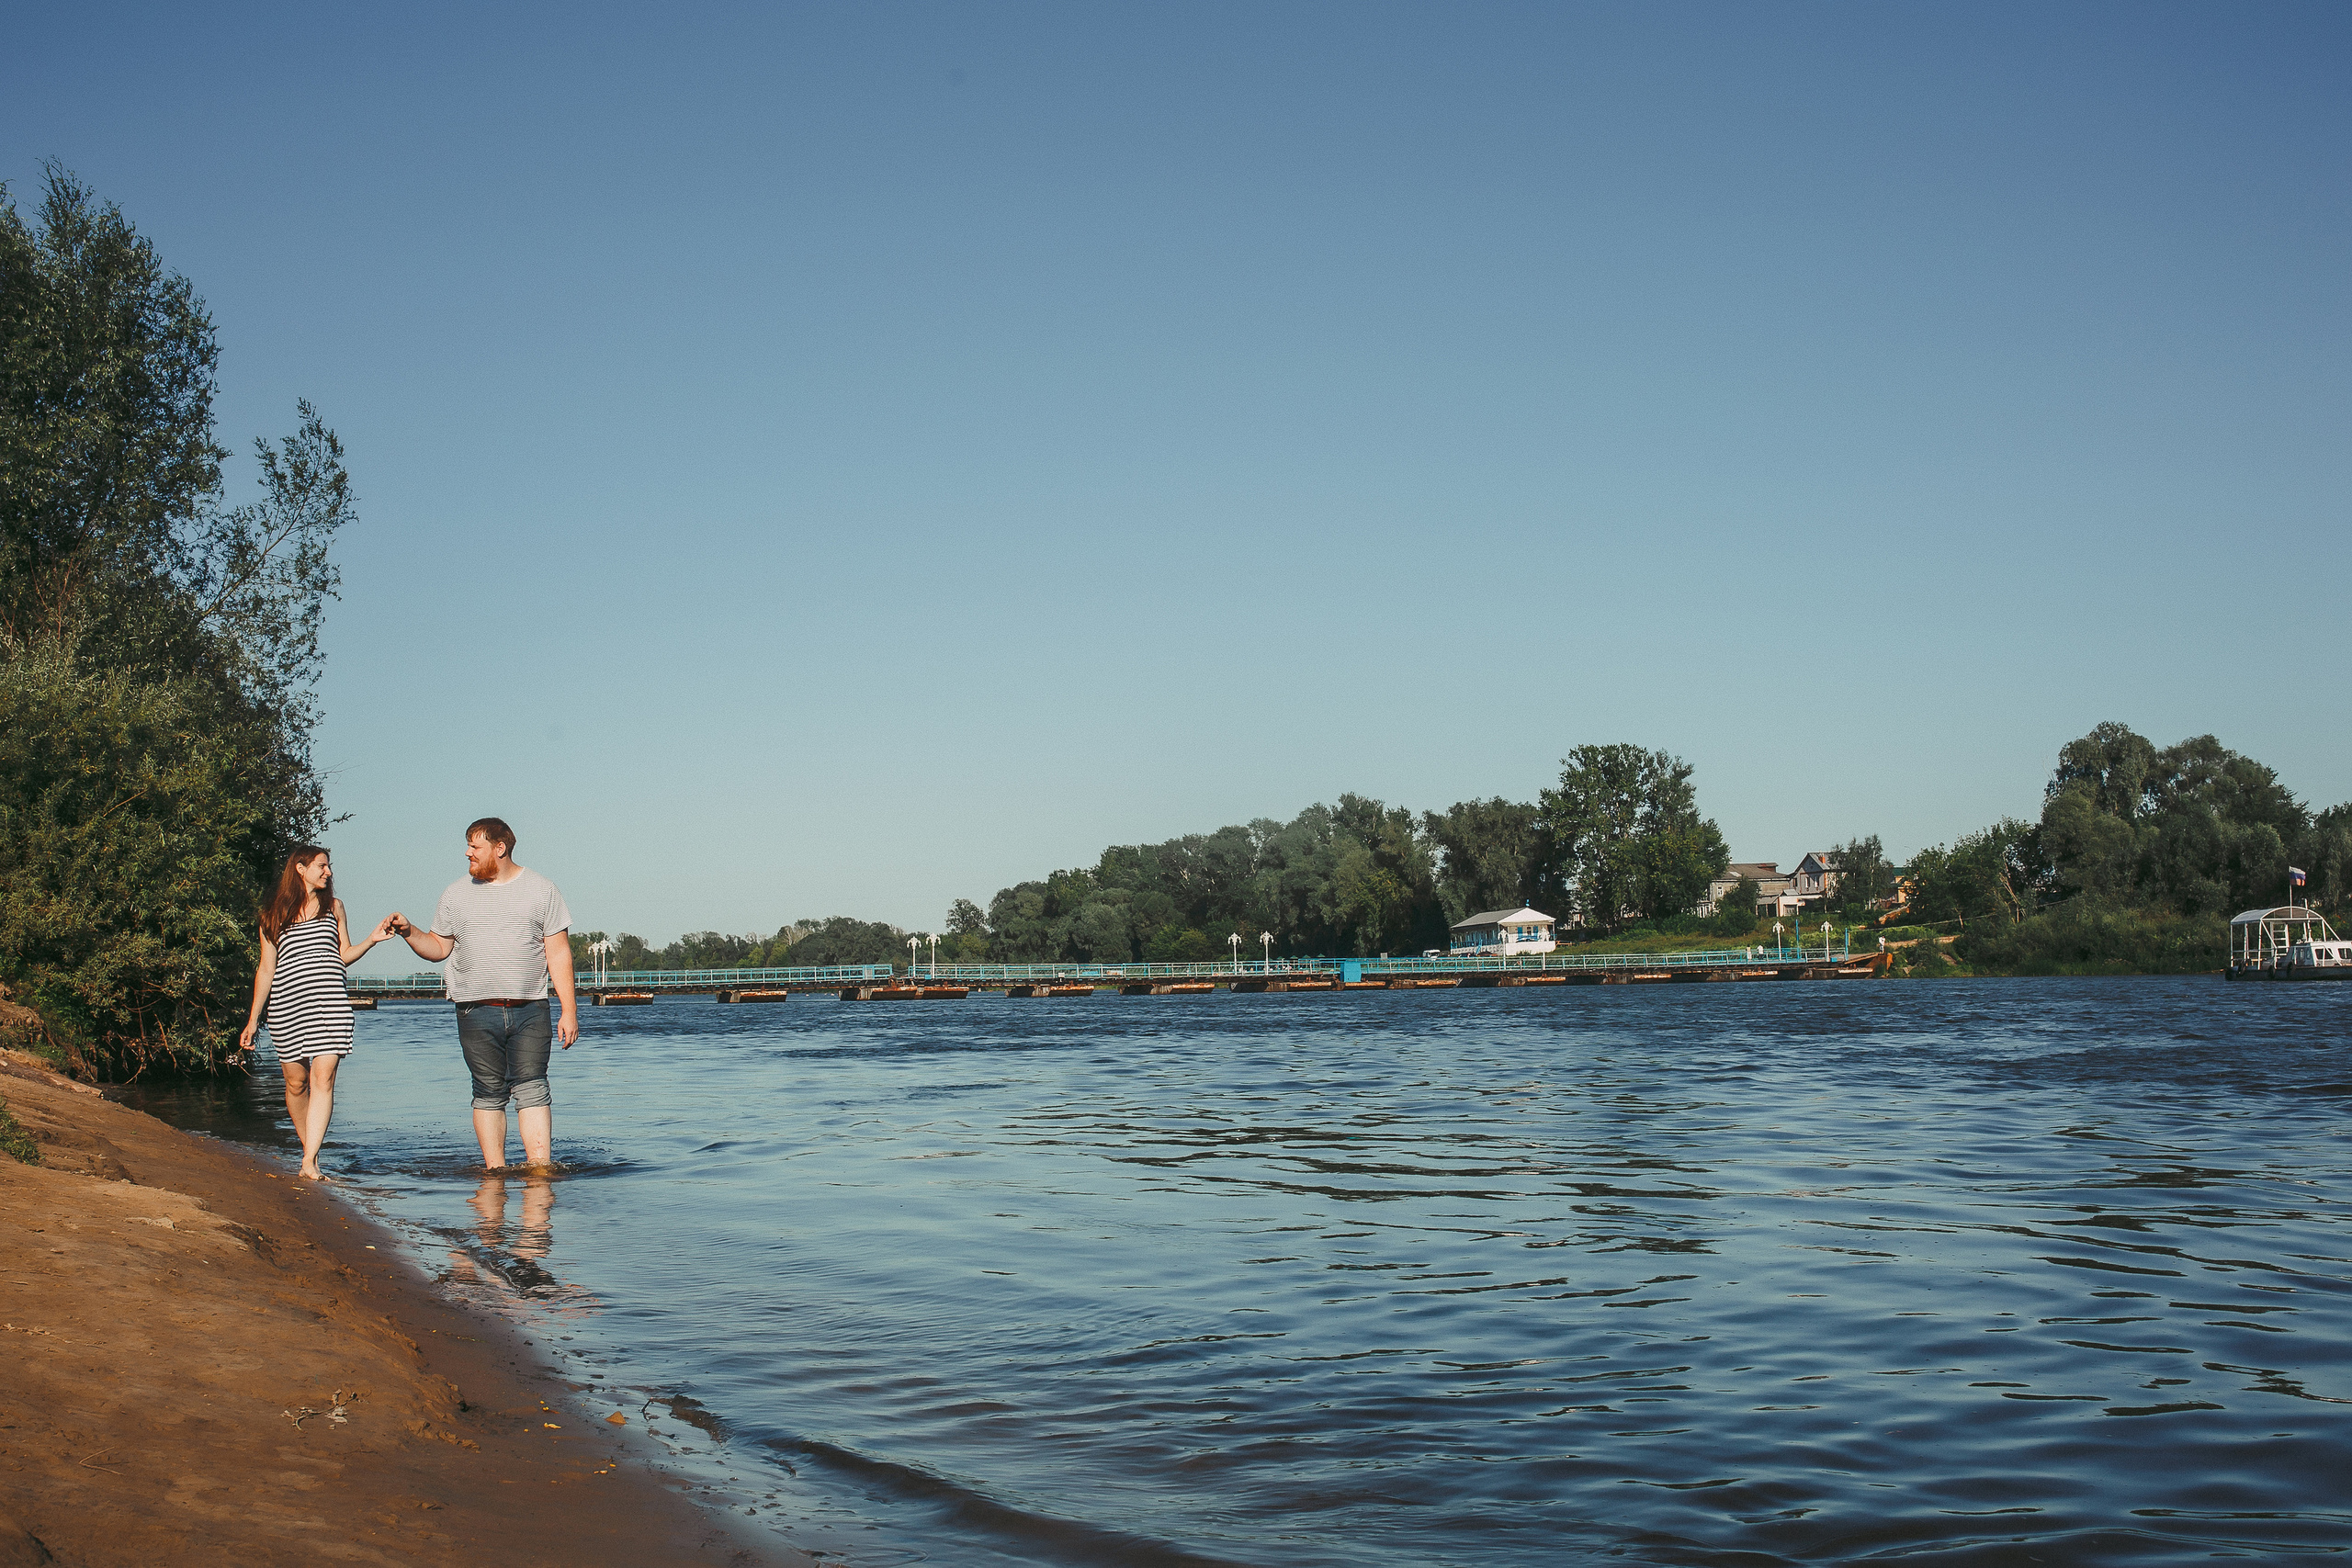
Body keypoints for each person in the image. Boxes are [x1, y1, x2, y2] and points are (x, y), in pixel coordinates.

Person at [388, 818, 579, 1169]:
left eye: (475, 846)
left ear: (500, 848)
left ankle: (539, 1173)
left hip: (531, 1009)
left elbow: (559, 952)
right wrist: (408, 931)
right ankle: (495, 1174)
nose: (467, 852)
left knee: (534, 1089)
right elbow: (438, 947)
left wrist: (570, 1010)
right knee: (488, 1093)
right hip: (474, 1011)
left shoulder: (542, 889)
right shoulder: (455, 893)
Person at [237, 846, 397, 1180]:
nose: (329, 872)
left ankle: (309, 1161)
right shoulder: (272, 913)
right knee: (296, 1083)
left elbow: (343, 955)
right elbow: (266, 969)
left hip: (330, 1005)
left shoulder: (334, 907)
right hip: (287, 1007)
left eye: (329, 866)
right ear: (300, 868)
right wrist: (253, 1019)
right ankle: (310, 1148)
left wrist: (371, 940)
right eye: (322, 866)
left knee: (323, 1077)